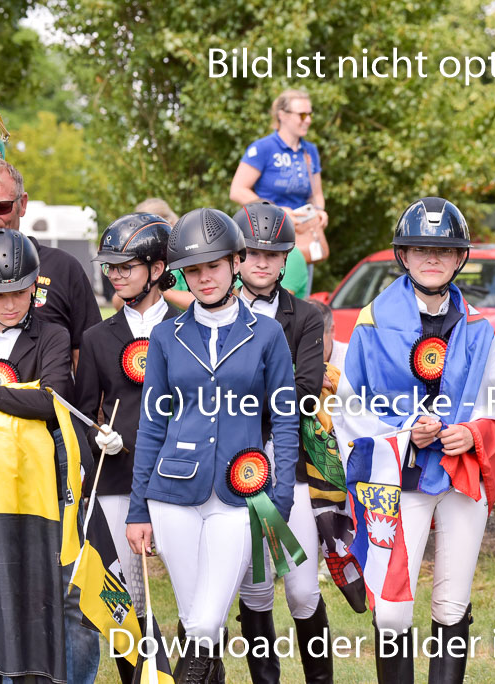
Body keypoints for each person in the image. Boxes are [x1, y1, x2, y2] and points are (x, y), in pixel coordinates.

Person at [332, 197, 495, 684]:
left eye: (444, 250)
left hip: (459, 473)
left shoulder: (478, 326)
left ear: (459, 258)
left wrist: (470, 433)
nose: (432, 257)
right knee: (392, 610)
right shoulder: (371, 321)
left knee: (452, 603)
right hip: (397, 478)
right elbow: (349, 407)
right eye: (420, 248)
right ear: (403, 256)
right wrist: (407, 430)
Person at [125, 208, 299, 683]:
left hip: (242, 498)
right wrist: (138, 509)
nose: (204, 278)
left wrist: (280, 502)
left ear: (236, 262)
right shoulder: (165, 337)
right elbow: (151, 426)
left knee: (204, 624)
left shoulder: (268, 334)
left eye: (214, 266)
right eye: (194, 269)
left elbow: (285, 421)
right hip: (172, 495)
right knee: (197, 620)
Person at [74, 212, 181, 684]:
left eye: (125, 267)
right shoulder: (96, 338)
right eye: (110, 267)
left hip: (181, 477)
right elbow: (83, 412)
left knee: (197, 598)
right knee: (127, 599)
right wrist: (98, 434)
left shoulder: (188, 328)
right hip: (118, 479)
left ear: (157, 269)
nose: (114, 275)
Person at [231, 201, 331, 684]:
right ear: (236, 257)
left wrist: (242, 392)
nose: (261, 263)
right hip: (232, 463)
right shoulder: (216, 314)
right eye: (252, 253)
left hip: (287, 459)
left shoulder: (306, 317)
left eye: (272, 254)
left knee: (302, 590)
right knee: (255, 589)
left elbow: (306, 392)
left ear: (285, 258)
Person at [0, 229, 77, 684]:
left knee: (32, 593)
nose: (10, 304)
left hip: (32, 490)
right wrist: (21, 394)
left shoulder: (52, 335)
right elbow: (35, 395)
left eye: (20, 292)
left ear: (35, 287)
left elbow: (52, 401)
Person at [0, 158, 100, 370]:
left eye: (1, 207)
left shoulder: (63, 268)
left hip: (49, 390)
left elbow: (86, 358)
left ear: (22, 204)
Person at [230, 89, 326, 293]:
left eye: (310, 114)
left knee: (296, 299)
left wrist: (319, 211)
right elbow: (237, 190)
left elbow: (316, 194)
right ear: (282, 115)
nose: (308, 120)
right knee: (261, 300)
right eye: (302, 115)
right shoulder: (263, 148)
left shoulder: (309, 151)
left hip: (301, 238)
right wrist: (277, 212)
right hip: (267, 240)